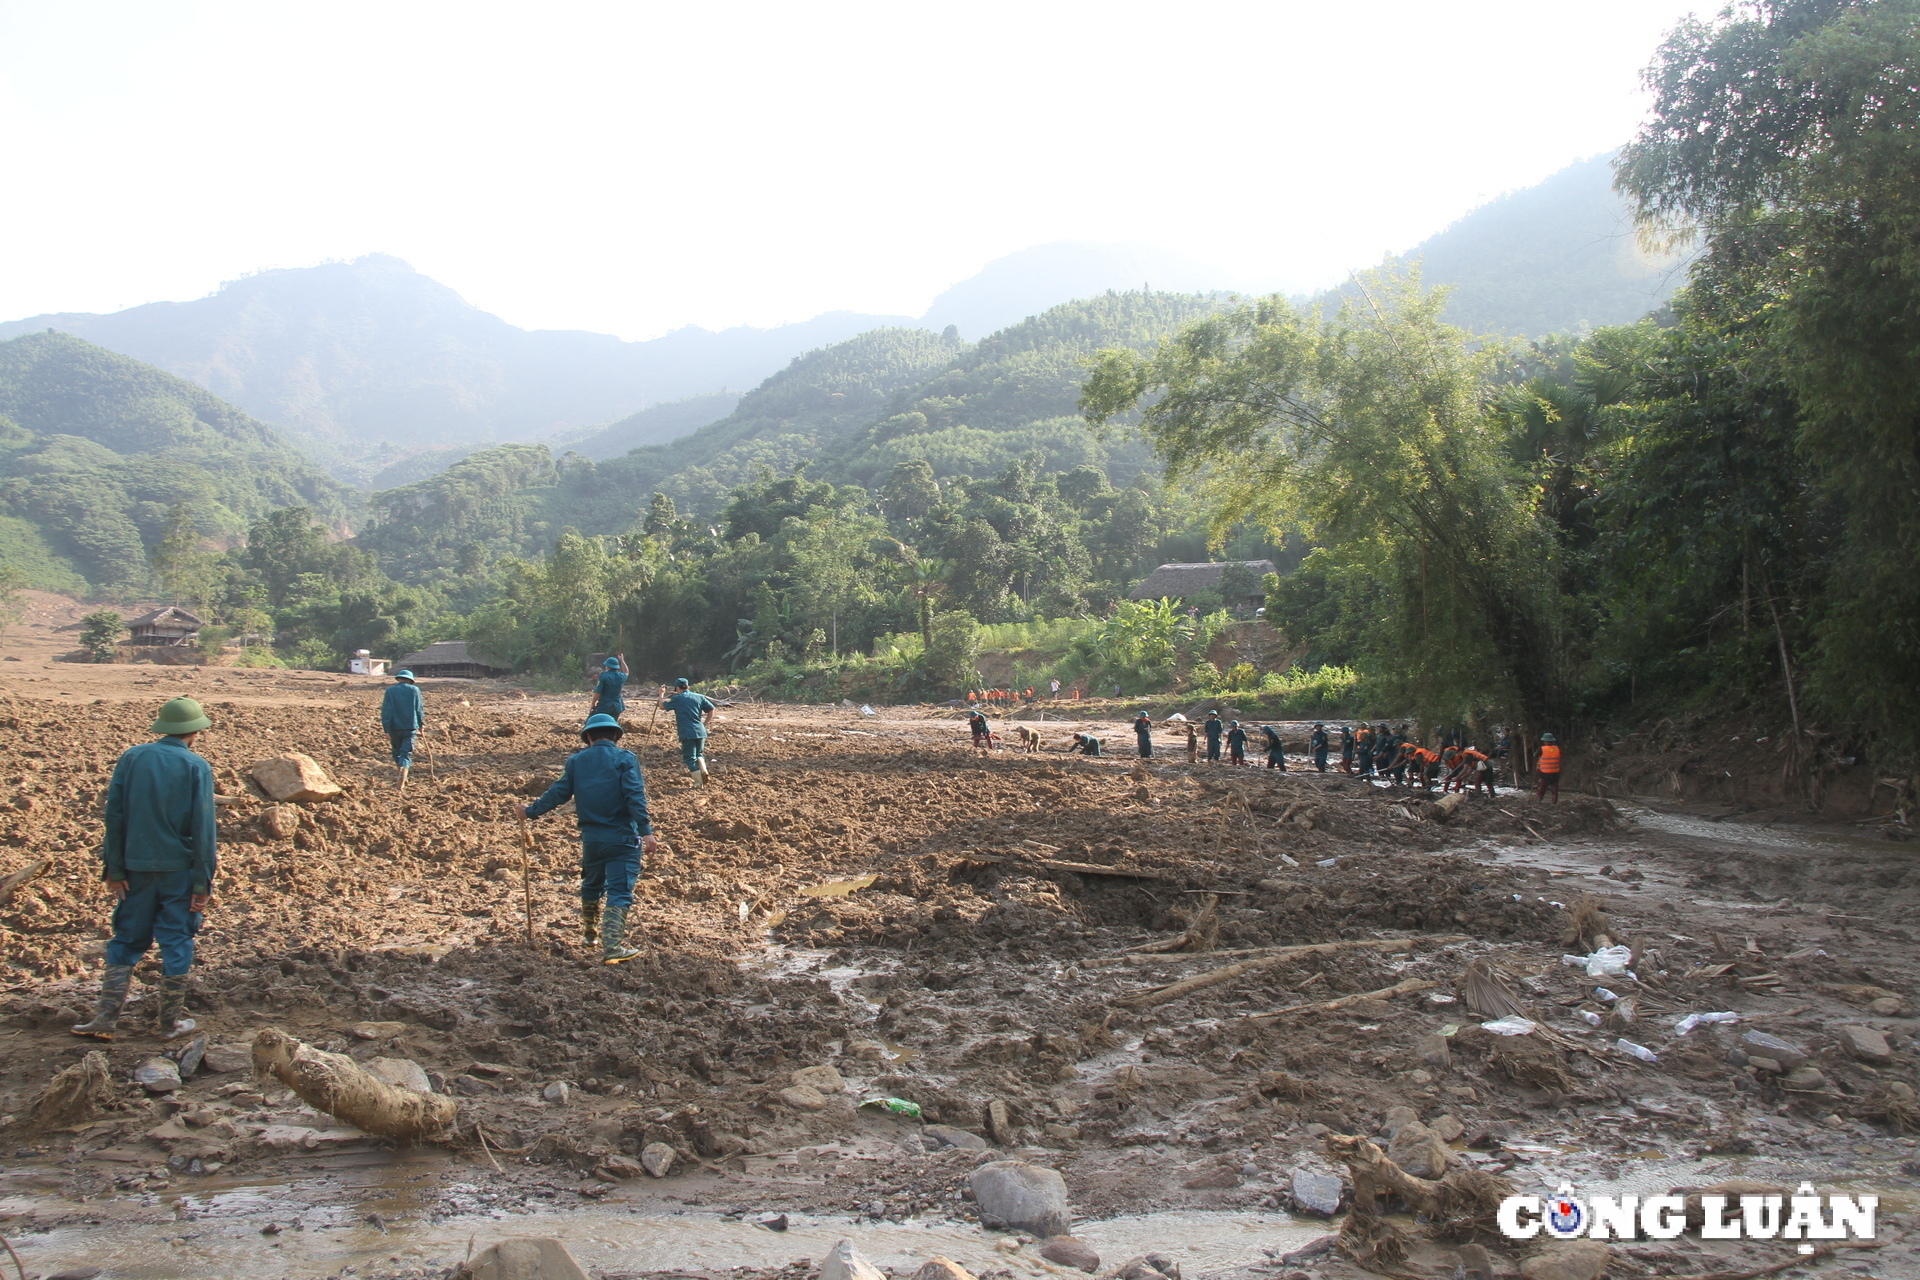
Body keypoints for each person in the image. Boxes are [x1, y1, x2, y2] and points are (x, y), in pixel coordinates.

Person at [72, 697, 217, 1041]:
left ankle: (105, 1018)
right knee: (177, 939)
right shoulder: (196, 767)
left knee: (126, 939)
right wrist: (202, 883)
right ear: (195, 731)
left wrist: (114, 869)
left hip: (134, 870)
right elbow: (203, 830)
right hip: (179, 872)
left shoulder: (132, 758)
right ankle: (169, 1024)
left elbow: (115, 816)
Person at [515, 714, 658, 964]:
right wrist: (646, 831)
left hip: (591, 840)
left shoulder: (576, 761)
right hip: (623, 839)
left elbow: (558, 793)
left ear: (589, 737)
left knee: (592, 885)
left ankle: (590, 935)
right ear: (615, 736)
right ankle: (612, 946)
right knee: (619, 891)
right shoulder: (625, 758)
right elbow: (635, 796)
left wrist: (530, 811)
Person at [658, 677, 717, 785]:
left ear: (677, 688)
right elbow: (711, 709)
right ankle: (704, 771)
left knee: (689, 758)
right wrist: (704, 724)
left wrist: (661, 694)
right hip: (700, 730)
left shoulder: (677, 698)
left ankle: (699, 783)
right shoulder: (699, 697)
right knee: (699, 754)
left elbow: (662, 706)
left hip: (687, 731)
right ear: (688, 686)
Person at [380, 668, 425, 788]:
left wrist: (386, 729)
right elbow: (419, 709)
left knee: (396, 751)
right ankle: (404, 772)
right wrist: (421, 724)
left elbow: (386, 711)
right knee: (406, 753)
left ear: (399, 679)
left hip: (394, 728)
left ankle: (400, 770)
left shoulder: (390, 691)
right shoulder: (415, 690)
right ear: (410, 680)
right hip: (410, 728)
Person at [590, 655, 627, 720]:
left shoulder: (603, 677)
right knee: (613, 723)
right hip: (617, 706)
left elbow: (598, 692)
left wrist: (593, 703)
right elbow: (626, 672)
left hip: (605, 706)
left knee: (592, 720)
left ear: (607, 666)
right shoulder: (621, 676)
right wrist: (622, 661)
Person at [1535, 732, 1563, 802]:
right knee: (1554, 789)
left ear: (1544, 741)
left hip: (1544, 773)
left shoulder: (1541, 749)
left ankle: (1539, 801)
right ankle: (1554, 802)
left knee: (1541, 788)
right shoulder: (1557, 748)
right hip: (1555, 773)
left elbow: (1535, 755)